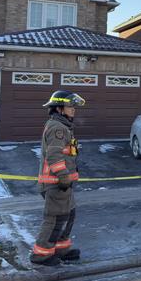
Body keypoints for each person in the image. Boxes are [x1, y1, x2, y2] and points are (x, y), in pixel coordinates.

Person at [30, 90, 85, 266]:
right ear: (59, 108)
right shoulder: (57, 128)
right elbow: (54, 156)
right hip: (55, 184)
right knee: (54, 218)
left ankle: (61, 249)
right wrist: (62, 177)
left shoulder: (64, 126)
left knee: (69, 214)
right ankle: (42, 254)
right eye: (70, 106)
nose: (73, 109)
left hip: (64, 184)